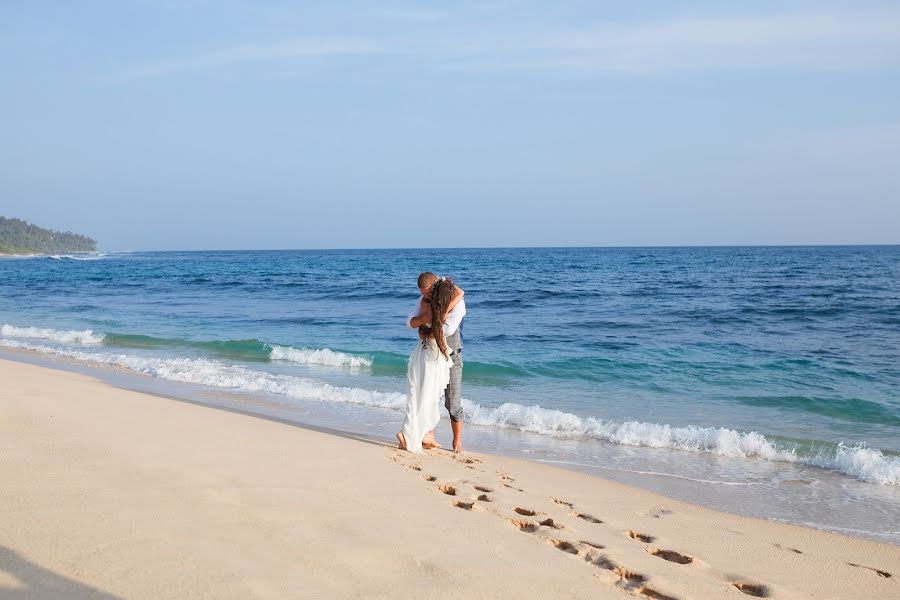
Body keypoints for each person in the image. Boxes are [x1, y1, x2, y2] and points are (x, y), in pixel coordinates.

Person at [396, 278, 464, 453]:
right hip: (431, 355)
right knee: (426, 395)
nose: (424, 296)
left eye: (427, 292)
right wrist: (425, 319)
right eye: (423, 293)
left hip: (451, 356)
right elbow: (409, 322)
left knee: (452, 403)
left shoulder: (457, 304)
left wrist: (426, 329)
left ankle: (457, 442)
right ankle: (426, 435)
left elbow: (448, 330)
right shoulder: (425, 301)